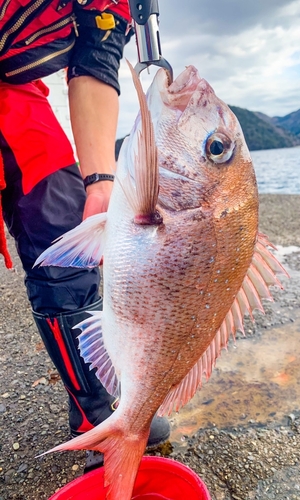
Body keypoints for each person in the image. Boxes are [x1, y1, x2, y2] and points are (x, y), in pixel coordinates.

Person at [0, 0, 170, 472]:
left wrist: (100, 180)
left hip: (14, 97)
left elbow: (95, 62)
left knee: (64, 234)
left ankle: (96, 409)